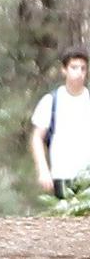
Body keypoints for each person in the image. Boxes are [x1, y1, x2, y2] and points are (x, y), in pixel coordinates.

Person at [30, 46, 90, 199]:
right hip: (62, 175)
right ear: (64, 70)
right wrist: (43, 170)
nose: (79, 73)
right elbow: (37, 137)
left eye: (83, 68)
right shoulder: (51, 101)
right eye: (74, 68)